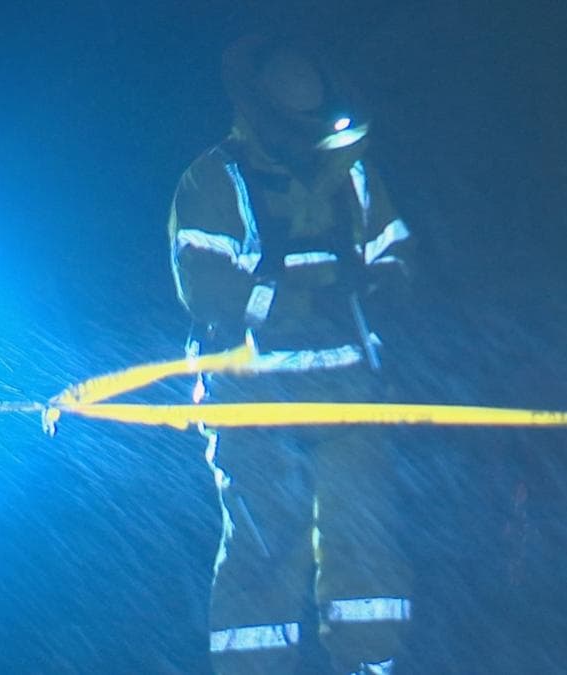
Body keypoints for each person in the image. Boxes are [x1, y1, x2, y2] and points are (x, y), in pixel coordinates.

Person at [167, 35, 415, 675]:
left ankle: (372, 665)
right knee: (264, 547)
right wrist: (290, 309)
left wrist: (386, 287)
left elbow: (395, 250)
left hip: (350, 395)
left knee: (364, 543)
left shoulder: (352, 172)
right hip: (251, 395)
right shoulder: (215, 179)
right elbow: (205, 284)